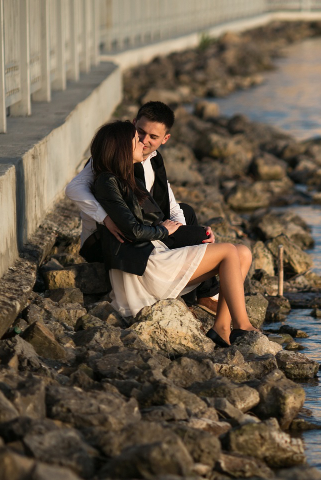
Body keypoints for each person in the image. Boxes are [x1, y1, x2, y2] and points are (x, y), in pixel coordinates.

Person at [85, 120, 255, 347]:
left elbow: (160, 220)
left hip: (153, 255)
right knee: (228, 252)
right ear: (121, 148)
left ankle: (222, 328)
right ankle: (243, 327)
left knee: (242, 252)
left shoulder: (128, 177)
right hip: (143, 269)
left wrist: (192, 233)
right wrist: (163, 229)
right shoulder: (107, 180)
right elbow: (133, 230)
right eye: (137, 140)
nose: (142, 143)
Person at [65, 101, 219, 313]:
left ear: (165, 139)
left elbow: (171, 204)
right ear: (134, 125)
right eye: (140, 133)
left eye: (153, 137)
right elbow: (73, 188)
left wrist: (186, 236)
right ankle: (200, 289)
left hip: (139, 226)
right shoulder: (112, 156)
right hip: (107, 238)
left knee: (187, 213)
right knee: (199, 236)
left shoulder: (153, 161)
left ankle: (202, 292)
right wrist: (105, 219)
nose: (145, 141)